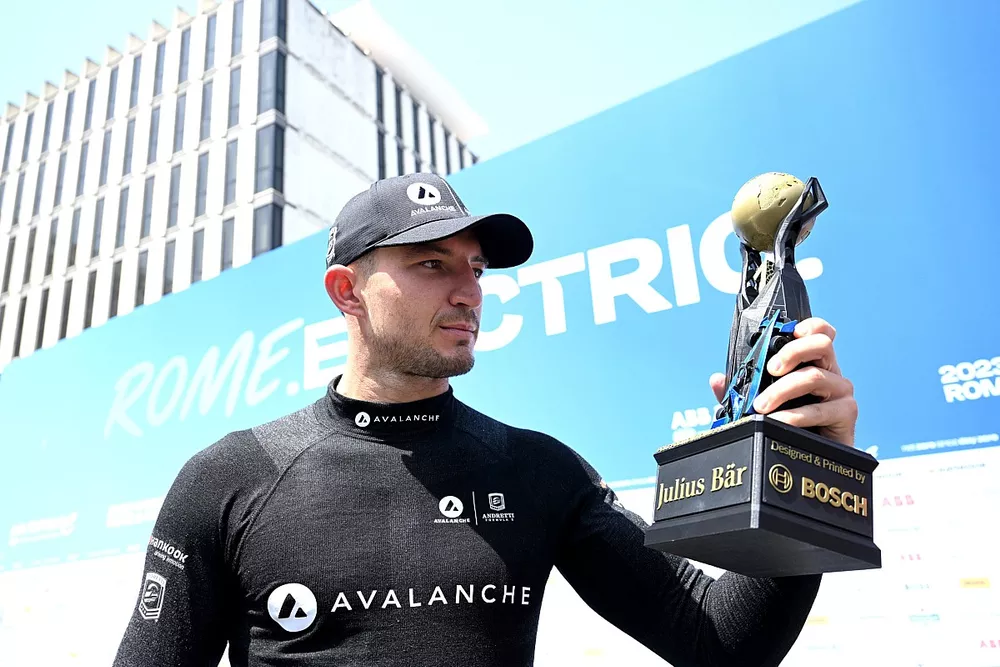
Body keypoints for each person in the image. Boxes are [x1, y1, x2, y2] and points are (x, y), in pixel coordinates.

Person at [112, 173, 858, 667]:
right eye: (432, 264)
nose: (470, 291)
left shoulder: (538, 471)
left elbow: (720, 640)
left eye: (476, 268)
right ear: (346, 291)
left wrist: (802, 464)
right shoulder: (230, 477)